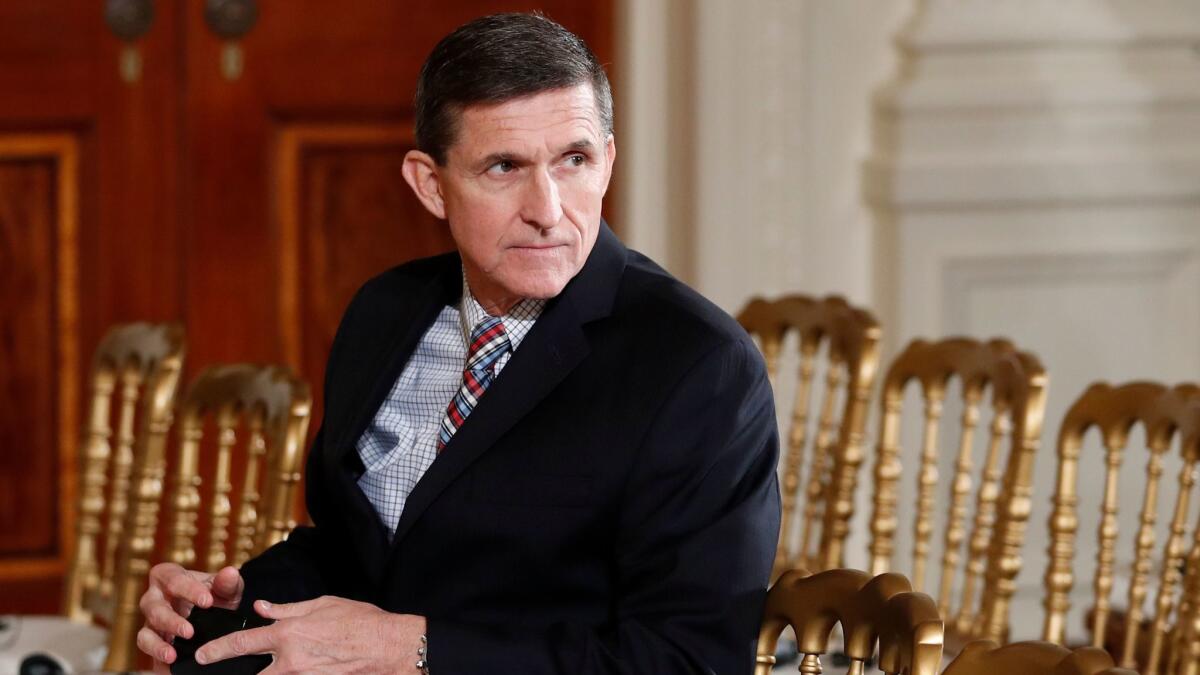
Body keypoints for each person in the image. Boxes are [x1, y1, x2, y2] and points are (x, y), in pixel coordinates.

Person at [137, 12, 780, 674]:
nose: (549, 209)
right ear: (430, 184)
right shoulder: (385, 312)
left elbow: (690, 661)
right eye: (505, 166)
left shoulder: (698, 366)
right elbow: (360, 549)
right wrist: (235, 600)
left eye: (575, 160)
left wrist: (414, 648)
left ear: (609, 160)